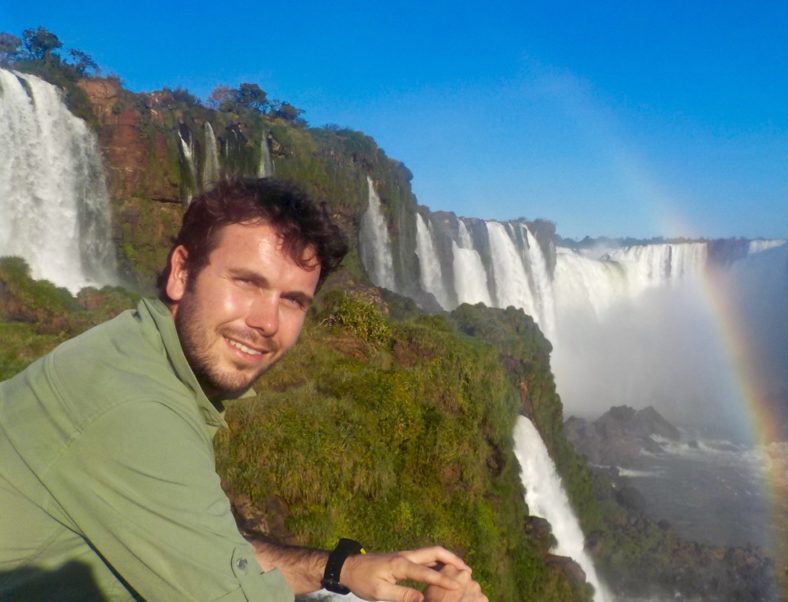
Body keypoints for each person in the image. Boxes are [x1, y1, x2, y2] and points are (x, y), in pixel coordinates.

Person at [0, 178, 486, 602]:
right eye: (247, 282)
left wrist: (342, 569)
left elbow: (217, 553)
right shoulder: (134, 409)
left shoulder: (134, 349)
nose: (266, 322)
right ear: (181, 272)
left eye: (292, 300)